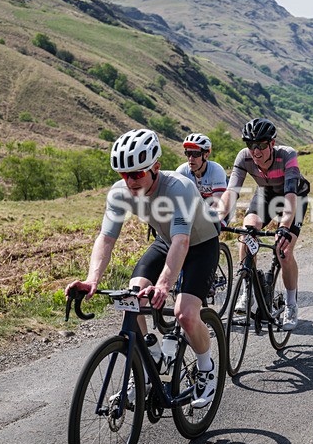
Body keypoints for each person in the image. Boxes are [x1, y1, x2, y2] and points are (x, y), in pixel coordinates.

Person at [65, 129, 220, 408]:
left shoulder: (179, 187)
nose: (130, 181)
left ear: (155, 167)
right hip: (165, 241)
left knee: (185, 314)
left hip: (200, 244)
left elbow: (182, 241)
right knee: (131, 296)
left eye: (137, 174)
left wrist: (163, 285)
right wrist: (91, 280)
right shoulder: (120, 192)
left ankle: (206, 370)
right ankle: (149, 361)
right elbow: (106, 238)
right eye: (124, 175)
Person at [218, 118, 310, 331]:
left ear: (272, 143)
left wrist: (284, 227)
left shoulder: (287, 155)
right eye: (251, 145)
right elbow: (231, 192)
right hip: (266, 194)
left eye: (260, 145)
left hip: (294, 196)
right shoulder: (244, 157)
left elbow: (290, 195)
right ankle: (247, 291)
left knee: (284, 250)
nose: (255, 151)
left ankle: (291, 304)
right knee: (246, 233)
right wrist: (218, 218)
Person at [176, 133, 227, 207]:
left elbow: (218, 203)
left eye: (195, 154)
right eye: (188, 153)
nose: (191, 158)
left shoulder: (216, 170)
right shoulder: (181, 172)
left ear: (206, 155)